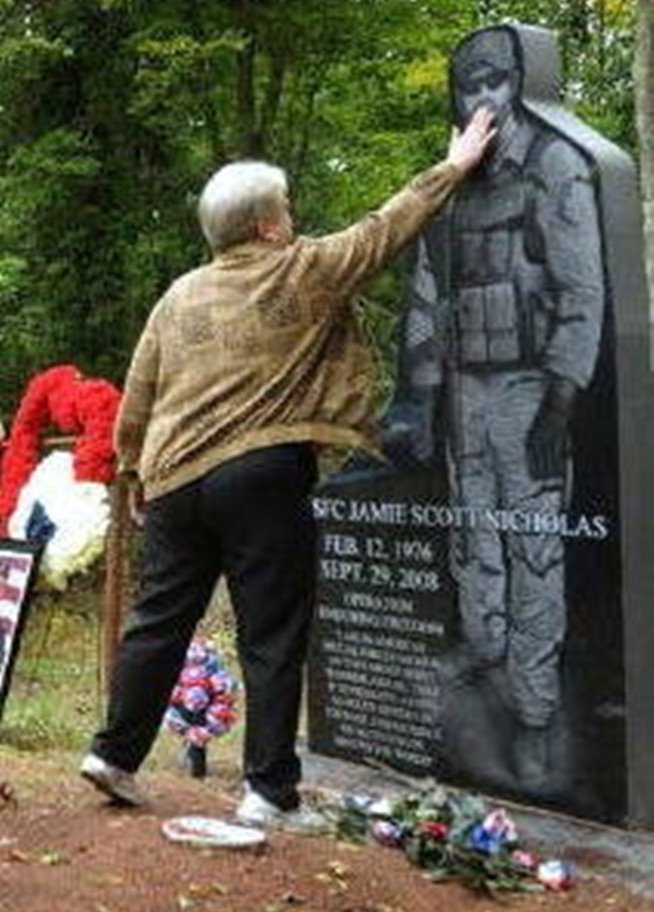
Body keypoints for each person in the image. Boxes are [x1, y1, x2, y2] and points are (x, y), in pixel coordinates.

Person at [79, 108, 495, 827]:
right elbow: (383, 230)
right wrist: (454, 167)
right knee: (271, 632)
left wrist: (136, 473)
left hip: (175, 480)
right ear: (267, 226)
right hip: (261, 472)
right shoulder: (302, 271)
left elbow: (138, 394)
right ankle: (269, 792)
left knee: (158, 621)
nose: (293, 219)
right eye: (287, 210)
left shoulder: (178, 296)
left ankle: (113, 754)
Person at [384, 26, 604, 793]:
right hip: (463, 393)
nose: (482, 98)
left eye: (495, 81)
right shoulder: (449, 184)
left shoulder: (556, 168)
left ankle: (536, 714)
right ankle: (482, 658)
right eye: (468, 84)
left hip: (528, 388)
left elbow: (583, 295)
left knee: (533, 547)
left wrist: (560, 403)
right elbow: (425, 297)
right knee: (471, 535)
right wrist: (416, 397)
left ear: (520, 84)